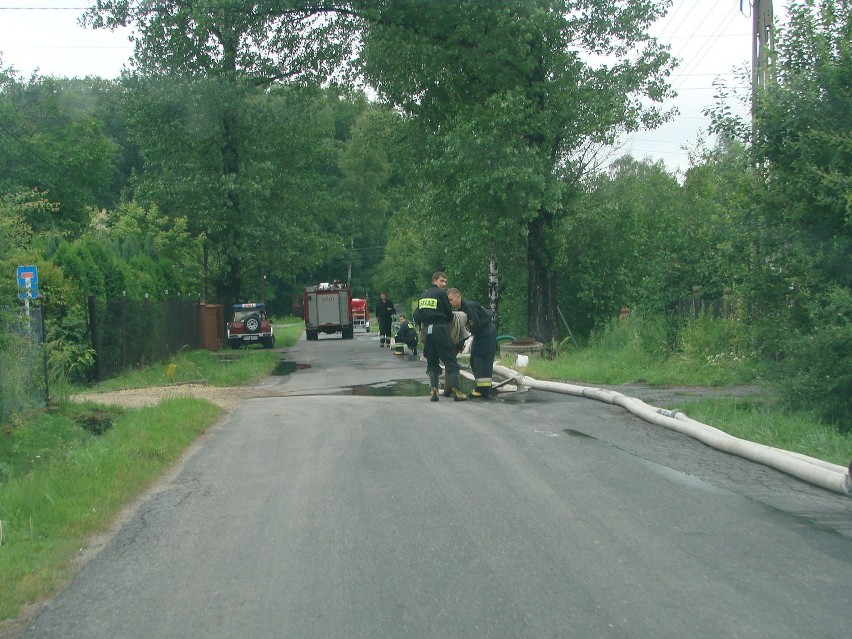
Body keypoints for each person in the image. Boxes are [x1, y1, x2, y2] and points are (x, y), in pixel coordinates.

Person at [413, 272, 467, 401]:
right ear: (434, 281)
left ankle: (434, 391)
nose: (444, 284)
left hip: (428, 331)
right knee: (450, 361)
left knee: (432, 361)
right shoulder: (441, 294)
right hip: (440, 329)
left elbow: (416, 316)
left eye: (445, 282)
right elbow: (449, 314)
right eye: (442, 281)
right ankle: (458, 392)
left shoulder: (423, 296)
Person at [447, 287, 497, 398]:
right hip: (481, 334)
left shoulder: (468, 307)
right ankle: (483, 388)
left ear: (458, 297)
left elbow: (475, 325)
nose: (450, 303)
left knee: (481, 359)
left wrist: (465, 340)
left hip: (486, 333)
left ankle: (483, 390)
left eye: (451, 300)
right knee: (474, 359)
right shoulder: (462, 309)